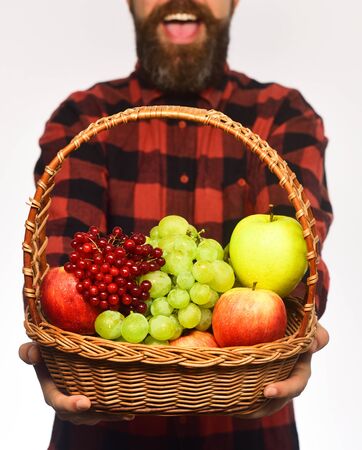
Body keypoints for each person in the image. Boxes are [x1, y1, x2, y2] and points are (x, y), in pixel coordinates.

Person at [19, 1, 332, 449]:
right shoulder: (83, 118)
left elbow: (303, 258)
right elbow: (63, 274)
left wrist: (304, 319)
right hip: (101, 428)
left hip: (251, 431)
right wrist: (53, 345)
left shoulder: (282, 114)